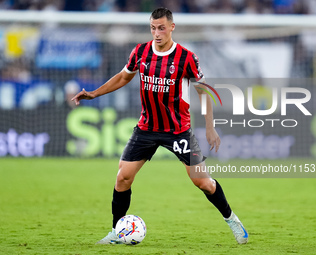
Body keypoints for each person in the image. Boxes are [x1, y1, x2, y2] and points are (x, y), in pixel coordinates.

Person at [72, 7, 248, 245]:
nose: (157, 33)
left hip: (179, 130)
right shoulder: (141, 52)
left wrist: (209, 126)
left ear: (172, 27)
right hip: (146, 128)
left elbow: (204, 92)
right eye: (153, 28)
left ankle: (232, 219)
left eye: (161, 28)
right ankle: (117, 231)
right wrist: (94, 94)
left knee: (203, 182)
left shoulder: (186, 58)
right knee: (123, 178)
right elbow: (124, 76)